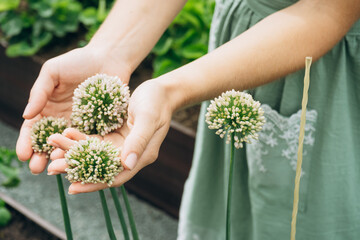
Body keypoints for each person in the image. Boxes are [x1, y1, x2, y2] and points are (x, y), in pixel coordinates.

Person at [16, 0, 360, 239]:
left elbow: (327, 9)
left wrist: (168, 90)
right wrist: (109, 52)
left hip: (324, 66)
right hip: (238, 47)